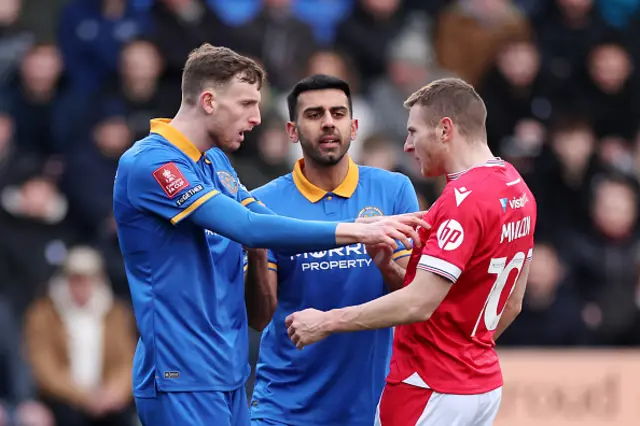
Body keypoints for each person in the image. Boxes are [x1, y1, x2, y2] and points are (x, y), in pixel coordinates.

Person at [113, 43, 425, 426]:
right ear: (209, 101)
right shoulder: (151, 163)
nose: (257, 118)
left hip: (227, 371)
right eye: (246, 104)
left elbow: (262, 217)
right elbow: (247, 226)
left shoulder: (214, 162)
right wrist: (358, 230)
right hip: (181, 372)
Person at [285, 78, 537, 426]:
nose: (407, 145)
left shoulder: (464, 200)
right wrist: (389, 266)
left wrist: (326, 322)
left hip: (427, 385)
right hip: (480, 386)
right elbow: (512, 303)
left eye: (414, 132)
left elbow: (419, 303)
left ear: (445, 130)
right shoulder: (517, 187)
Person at [245, 74, 420, 426]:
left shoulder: (393, 190)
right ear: (292, 131)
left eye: (338, 113)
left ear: (354, 127)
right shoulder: (263, 202)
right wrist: (257, 250)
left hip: (370, 407)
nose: (328, 122)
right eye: (314, 114)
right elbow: (259, 316)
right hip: (284, 408)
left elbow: (413, 300)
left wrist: (386, 265)